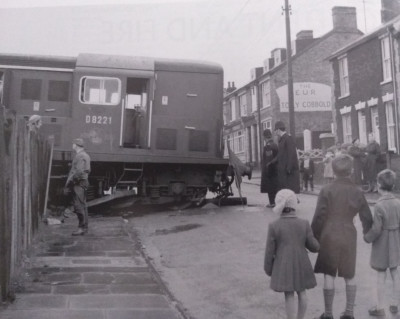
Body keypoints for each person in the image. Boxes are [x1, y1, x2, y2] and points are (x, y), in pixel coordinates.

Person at [311, 154, 373, 319]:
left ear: (334, 170)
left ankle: (328, 314)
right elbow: (366, 216)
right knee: (349, 273)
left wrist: (314, 237)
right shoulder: (357, 191)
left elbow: (319, 216)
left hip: (329, 233)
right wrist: (368, 233)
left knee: (329, 273)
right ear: (351, 171)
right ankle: (349, 313)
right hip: (348, 233)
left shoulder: (326, 190)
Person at [264, 189, 320, 319]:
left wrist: (268, 269)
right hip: (302, 262)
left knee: (289, 294)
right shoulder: (304, 223)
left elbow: (269, 251)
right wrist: (319, 244)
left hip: (284, 264)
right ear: (294, 204)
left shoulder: (274, 225)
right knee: (302, 292)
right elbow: (313, 246)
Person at [364, 169, 400, 317]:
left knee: (380, 275)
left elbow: (377, 229)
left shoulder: (379, 205)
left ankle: (380, 307)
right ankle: (395, 304)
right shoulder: (398, 202)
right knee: (395, 273)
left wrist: (368, 237)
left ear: (379, 185)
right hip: (395, 240)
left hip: (382, 243)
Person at [64, 138, 91, 236]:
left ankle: (81, 228)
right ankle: (84, 227)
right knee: (83, 205)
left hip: (79, 183)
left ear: (76, 145)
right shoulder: (85, 155)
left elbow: (79, 171)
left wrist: (72, 181)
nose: (72, 145)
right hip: (82, 182)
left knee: (78, 206)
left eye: (73, 144)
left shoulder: (80, 156)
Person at [274, 120, 300, 194]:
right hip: (283, 169)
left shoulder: (288, 138)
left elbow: (291, 154)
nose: (275, 132)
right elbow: (280, 154)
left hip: (287, 170)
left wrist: (289, 168)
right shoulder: (282, 139)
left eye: (275, 130)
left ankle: (292, 200)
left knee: (288, 188)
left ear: (278, 130)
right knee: (284, 189)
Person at [260, 128, 279, 207]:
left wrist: (267, 172)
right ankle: (275, 202)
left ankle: (272, 203)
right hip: (276, 170)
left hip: (270, 171)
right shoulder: (275, 145)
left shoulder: (268, 146)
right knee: (275, 187)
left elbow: (268, 160)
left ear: (265, 137)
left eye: (263, 137)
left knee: (270, 188)